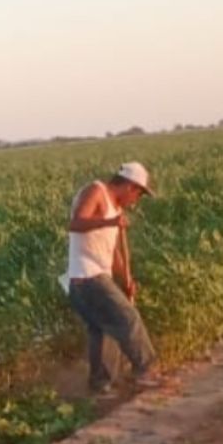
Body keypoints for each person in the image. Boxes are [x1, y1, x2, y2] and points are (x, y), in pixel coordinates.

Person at [62, 162, 162, 394]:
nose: (136, 201)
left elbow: (112, 252)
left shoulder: (116, 209)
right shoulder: (96, 191)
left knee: (103, 330)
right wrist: (109, 222)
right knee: (128, 318)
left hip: (91, 278)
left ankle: (100, 386)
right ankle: (146, 371)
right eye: (138, 194)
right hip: (86, 277)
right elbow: (75, 223)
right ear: (129, 186)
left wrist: (125, 278)